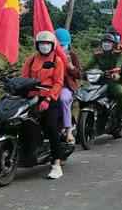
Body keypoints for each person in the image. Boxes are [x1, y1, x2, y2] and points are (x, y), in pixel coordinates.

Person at [21, 31, 66, 179]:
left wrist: (48, 99)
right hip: (31, 99)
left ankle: (57, 165)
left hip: (49, 100)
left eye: (47, 44)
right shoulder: (31, 60)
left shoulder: (57, 61)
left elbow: (58, 83)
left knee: (51, 128)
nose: (45, 46)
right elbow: (23, 79)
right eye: (42, 43)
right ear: (37, 45)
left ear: (52, 45)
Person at [85, 33, 122, 127]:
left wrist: (116, 72)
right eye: (104, 42)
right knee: (85, 96)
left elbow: (118, 64)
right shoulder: (97, 55)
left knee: (120, 94)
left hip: (112, 82)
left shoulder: (118, 54)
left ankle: (120, 118)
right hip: (98, 82)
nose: (106, 44)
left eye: (109, 42)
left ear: (113, 44)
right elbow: (87, 65)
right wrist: (80, 72)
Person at [55, 28, 82, 145]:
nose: (61, 48)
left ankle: (68, 131)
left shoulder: (72, 56)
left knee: (63, 99)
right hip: (49, 86)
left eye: (63, 45)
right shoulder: (49, 55)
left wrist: (72, 68)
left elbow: (80, 74)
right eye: (59, 45)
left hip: (65, 86)